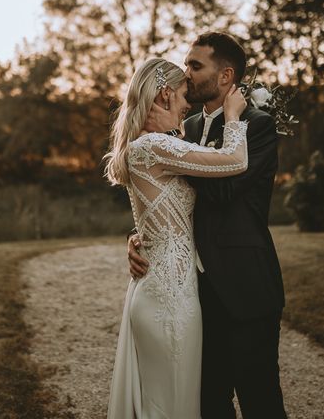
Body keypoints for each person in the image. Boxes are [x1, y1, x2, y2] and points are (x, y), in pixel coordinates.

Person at [128, 32, 287, 418]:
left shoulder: (257, 125)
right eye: (186, 64)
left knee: (260, 399)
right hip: (192, 293)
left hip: (244, 285)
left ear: (225, 76)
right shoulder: (184, 127)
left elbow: (224, 191)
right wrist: (141, 236)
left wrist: (172, 151)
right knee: (208, 402)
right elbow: (166, 195)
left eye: (196, 66)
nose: (186, 73)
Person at [104, 56, 249, 418]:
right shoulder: (153, 146)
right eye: (184, 94)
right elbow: (235, 160)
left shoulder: (147, 146)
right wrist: (233, 115)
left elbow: (161, 215)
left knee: (172, 404)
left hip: (167, 287)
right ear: (165, 94)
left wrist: (136, 237)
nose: (188, 104)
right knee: (169, 407)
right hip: (168, 297)